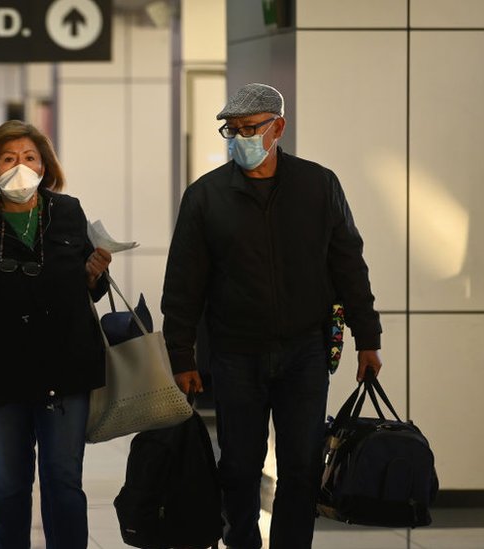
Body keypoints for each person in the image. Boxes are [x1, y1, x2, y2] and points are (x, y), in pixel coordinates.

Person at [160, 83, 383, 548]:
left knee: (301, 466)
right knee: (240, 464)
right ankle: (241, 542)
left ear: (278, 127)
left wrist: (368, 337)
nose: (239, 138)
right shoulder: (206, 196)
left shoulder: (318, 185)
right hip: (235, 350)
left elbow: (348, 264)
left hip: (306, 348)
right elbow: (183, 285)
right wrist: (181, 356)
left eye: (249, 128)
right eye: (232, 130)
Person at [0, 120, 112, 549]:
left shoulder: (68, 212)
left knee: (63, 480)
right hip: (1, 369)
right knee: (9, 486)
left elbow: (91, 284)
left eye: (30, 158)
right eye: (9, 158)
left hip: (65, 368)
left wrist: (95, 275)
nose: (21, 167)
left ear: (44, 166)